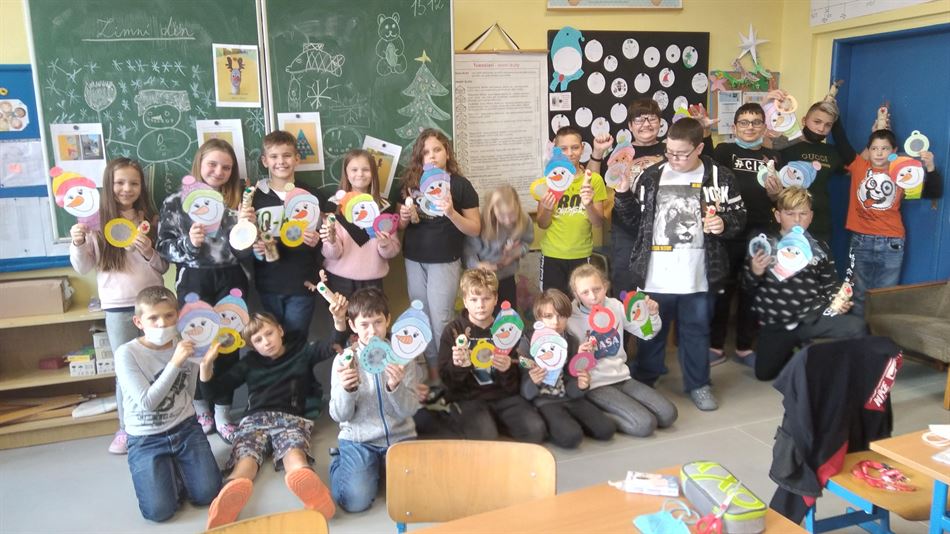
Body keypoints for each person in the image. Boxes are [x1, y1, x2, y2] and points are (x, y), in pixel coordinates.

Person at [612, 118, 747, 411]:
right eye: (669, 152)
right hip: (655, 275)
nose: (674, 159)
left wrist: (723, 224)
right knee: (651, 331)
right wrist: (622, 194)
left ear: (699, 148)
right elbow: (635, 222)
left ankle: (699, 384)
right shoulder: (651, 176)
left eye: (682, 154)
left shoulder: (719, 177)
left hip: (698, 275)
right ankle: (646, 378)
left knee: (696, 332)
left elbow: (739, 217)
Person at [200, 304, 349, 529]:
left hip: (292, 418)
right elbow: (215, 391)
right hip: (254, 420)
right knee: (246, 458)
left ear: (280, 330)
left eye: (269, 333)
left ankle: (306, 481)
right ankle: (230, 492)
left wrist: (339, 321)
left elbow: (332, 345)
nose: (266, 342)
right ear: (252, 346)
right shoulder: (249, 363)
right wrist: (206, 367)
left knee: (294, 452)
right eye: (258, 340)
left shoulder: (301, 352)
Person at [69, 158, 168, 454]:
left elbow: (163, 266)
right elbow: (83, 267)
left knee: (159, 365)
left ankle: (163, 422)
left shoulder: (150, 219)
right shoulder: (94, 223)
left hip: (153, 305)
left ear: (142, 187)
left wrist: (149, 251)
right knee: (126, 370)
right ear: (108, 185)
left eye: (134, 183)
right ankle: (127, 428)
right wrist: (78, 242)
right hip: (117, 307)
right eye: (120, 182)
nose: (127, 189)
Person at [157, 138, 253, 440]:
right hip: (193, 279)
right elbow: (163, 247)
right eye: (213, 164)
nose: (219, 171)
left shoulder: (238, 202)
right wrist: (190, 243)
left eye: (226, 167)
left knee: (228, 344)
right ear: (199, 163)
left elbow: (247, 250)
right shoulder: (175, 202)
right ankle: (201, 410)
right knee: (196, 344)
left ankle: (224, 412)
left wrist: (248, 229)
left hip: (231, 278)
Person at [114, 286, 221, 522]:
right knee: (159, 511)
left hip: (185, 428)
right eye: (153, 318)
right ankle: (171, 470)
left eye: (169, 315)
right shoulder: (126, 353)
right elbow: (147, 403)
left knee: (208, 494)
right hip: (146, 438)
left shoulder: (186, 344)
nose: (162, 323)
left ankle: (178, 468)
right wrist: (175, 362)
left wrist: (205, 365)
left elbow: (190, 392)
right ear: (139, 322)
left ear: (177, 315)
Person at [587, 98, 715, 296]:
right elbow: (593, 181)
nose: (646, 124)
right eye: (639, 119)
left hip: (662, 226)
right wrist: (597, 152)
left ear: (660, 123)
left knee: (661, 285)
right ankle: (627, 316)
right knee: (626, 282)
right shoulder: (620, 153)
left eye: (652, 119)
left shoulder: (671, 150)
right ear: (630, 125)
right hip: (625, 229)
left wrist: (704, 132)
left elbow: (706, 166)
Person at [743, 186, 867, 381]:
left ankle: (847, 369)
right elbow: (747, 287)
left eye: (803, 214)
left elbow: (831, 285)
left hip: (812, 317)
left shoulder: (820, 247)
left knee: (857, 326)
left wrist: (839, 302)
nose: (797, 219)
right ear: (778, 216)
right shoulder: (764, 245)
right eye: (790, 214)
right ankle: (799, 356)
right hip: (778, 322)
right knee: (764, 374)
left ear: (811, 216)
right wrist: (755, 271)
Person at [418, 268, 546, 443]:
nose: (480, 305)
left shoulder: (507, 329)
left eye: (486, 298)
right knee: (485, 437)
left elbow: (514, 384)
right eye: (474, 299)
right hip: (469, 398)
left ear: (495, 299)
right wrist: (459, 366)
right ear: (465, 301)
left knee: (536, 431)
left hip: (503, 396)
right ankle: (462, 418)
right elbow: (447, 381)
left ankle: (492, 422)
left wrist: (506, 369)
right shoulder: (454, 330)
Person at [398, 128, 481, 382]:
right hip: (414, 258)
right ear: (419, 157)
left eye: (437, 150)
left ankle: (449, 372)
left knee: (441, 318)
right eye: (426, 152)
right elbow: (398, 224)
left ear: (447, 152)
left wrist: (451, 213)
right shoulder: (411, 184)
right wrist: (404, 217)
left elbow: (475, 228)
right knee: (421, 316)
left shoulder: (460, 185)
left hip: (445, 260)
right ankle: (434, 373)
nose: (432, 156)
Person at [328, 288, 421, 513]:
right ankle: (339, 460)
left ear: (388, 320)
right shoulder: (344, 360)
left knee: (416, 493)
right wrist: (347, 390)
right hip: (360, 440)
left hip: (400, 437)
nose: (372, 331)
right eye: (364, 324)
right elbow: (339, 415)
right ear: (352, 325)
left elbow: (409, 409)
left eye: (378, 322)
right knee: (355, 501)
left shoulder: (403, 357)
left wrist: (395, 387)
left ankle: (378, 468)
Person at [834, 128, 942, 316]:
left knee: (885, 296)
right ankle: (858, 331)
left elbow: (933, 192)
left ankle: (878, 334)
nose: (879, 153)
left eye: (884, 148)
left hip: (891, 241)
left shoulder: (902, 172)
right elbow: (842, 143)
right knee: (858, 293)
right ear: (868, 150)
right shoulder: (859, 165)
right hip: (861, 240)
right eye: (874, 148)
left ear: (894, 151)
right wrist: (834, 115)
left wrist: (931, 167)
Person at [709, 103, 783, 367]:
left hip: (761, 230)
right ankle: (715, 345)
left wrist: (776, 194)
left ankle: (744, 347)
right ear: (735, 126)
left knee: (752, 289)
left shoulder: (774, 157)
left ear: (764, 126)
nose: (750, 127)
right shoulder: (724, 151)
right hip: (728, 229)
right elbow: (709, 181)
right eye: (744, 122)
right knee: (723, 290)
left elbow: (779, 199)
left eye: (755, 122)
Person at [566, 265, 677, 436]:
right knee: (644, 424)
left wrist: (652, 315)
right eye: (585, 292)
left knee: (668, 414)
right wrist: (580, 354)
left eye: (597, 289)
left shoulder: (615, 306)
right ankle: (598, 416)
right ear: (575, 294)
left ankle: (624, 409)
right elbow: (565, 361)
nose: (593, 297)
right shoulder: (569, 317)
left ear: (605, 286)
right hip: (595, 384)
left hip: (622, 377)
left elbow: (646, 333)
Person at [251, 130, 327, 338]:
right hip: (268, 283)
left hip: (302, 283)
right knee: (272, 343)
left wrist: (318, 241)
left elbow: (326, 240)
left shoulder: (312, 197)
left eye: (286, 155)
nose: (281, 162)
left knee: (296, 340)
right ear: (265, 161)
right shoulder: (254, 198)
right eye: (274, 156)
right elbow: (247, 241)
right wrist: (255, 247)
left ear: (297, 159)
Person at [524, 289, 615, 448]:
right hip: (544, 401)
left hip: (569, 397)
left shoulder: (571, 341)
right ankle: (558, 425)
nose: (555, 322)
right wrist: (532, 381)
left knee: (606, 430)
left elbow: (573, 380)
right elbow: (525, 391)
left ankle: (571, 423)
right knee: (571, 437)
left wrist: (581, 385)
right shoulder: (528, 342)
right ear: (539, 318)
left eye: (561, 316)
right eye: (548, 316)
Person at [536, 126, 607, 295]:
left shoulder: (593, 180)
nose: (570, 153)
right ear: (555, 150)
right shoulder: (547, 180)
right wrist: (547, 208)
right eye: (563, 149)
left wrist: (589, 204)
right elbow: (542, 223)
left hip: (582, 254)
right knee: (554, 303)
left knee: (583, 302)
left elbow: (598, 223)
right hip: (553, 254)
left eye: (575, 147)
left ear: (582, 148)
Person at [321, 149, 401, 297]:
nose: (360, 174)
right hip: (339, 279)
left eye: (366, 169)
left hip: (372, 281)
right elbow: (331, 254)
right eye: (354, 170)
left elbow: (393, 251)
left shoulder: (383, 207)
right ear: (346, 173)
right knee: (342, 313)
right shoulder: (334, 206)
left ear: (373, 173)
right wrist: (331, 241)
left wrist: (385, 243)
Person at [776, 94, 845, 244]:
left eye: (828, 125)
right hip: (789, 223)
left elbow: (857, 165)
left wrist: (879, 135)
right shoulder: (785, 146)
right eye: (817, 122)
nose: (821, 128)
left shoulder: (831, 152)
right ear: (804, 121)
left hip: (820, 224)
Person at [463, 185, 534, 311]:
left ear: (518, 207)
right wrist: (478, 265)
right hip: (482, 279)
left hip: (506, 276)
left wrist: (516, 252)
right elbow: (468, 252)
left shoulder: (524, 220)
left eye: (512, 215)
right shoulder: (481, 222)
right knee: (485, 313)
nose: (507, 221)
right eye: (502, 215)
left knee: (508, 313)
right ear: (492, 209)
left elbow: (526, 244)